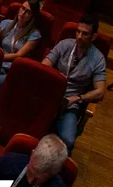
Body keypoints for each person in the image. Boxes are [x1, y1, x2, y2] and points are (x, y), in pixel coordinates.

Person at [43, 16, 107, 150]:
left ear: (93, 37)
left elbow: (100, 92)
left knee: (68, 141)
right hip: (49, 95)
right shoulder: (65, 44)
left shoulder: (98, 59)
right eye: (78, 31)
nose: (79, 37)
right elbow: (44, 66)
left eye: (85, 34)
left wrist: (78, 98)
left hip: (70, 103)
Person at [0, 0, 43, 96]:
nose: (23, 13)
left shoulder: (34, 34)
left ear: (32, 16)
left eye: (28, 12)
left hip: (12, 70)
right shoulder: (6, 23)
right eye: (22, 8)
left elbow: (18, 55)